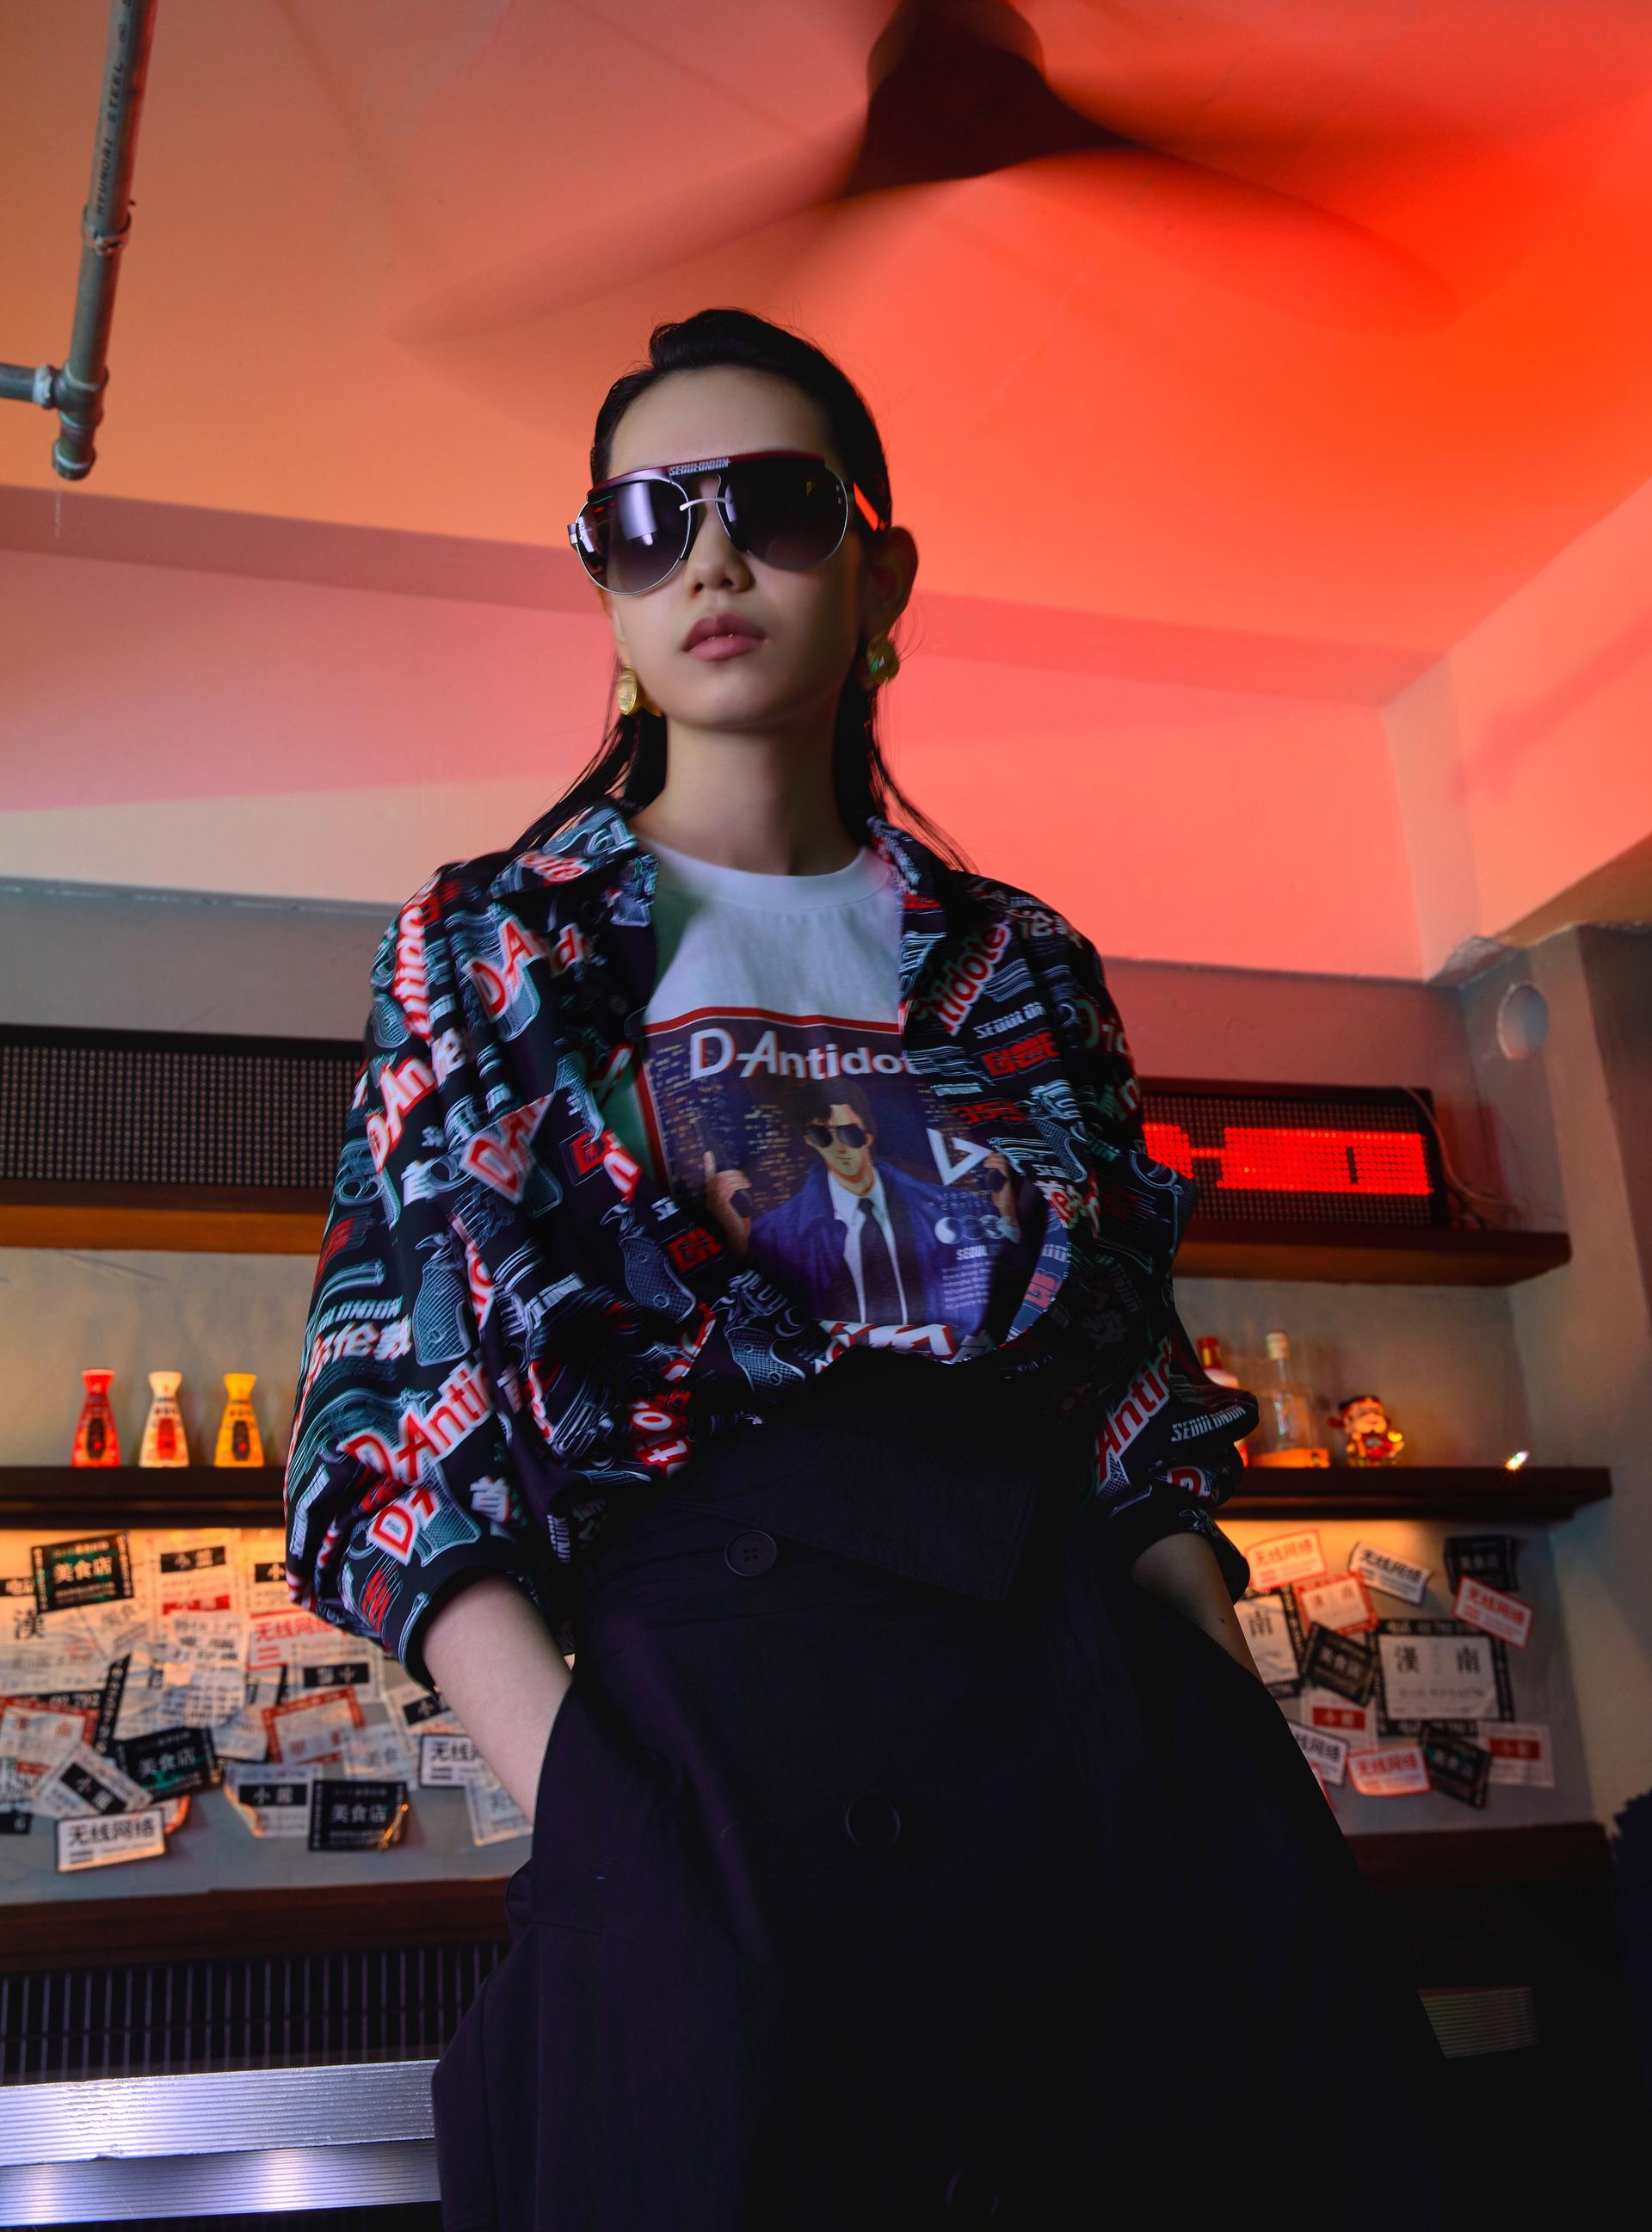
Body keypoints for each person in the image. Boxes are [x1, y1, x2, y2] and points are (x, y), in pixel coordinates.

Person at [285, 307, 1444, 2229]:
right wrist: (604, 1822)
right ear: (606, 594)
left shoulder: (1019, 962)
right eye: (645, 522)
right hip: (707, 1746)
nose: (708, 559)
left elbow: (1128, 1399)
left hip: (1086, 1717)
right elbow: (387, 1427)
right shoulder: (494, 947)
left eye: (774, 505)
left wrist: (1230, 1743)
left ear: (881, 573)